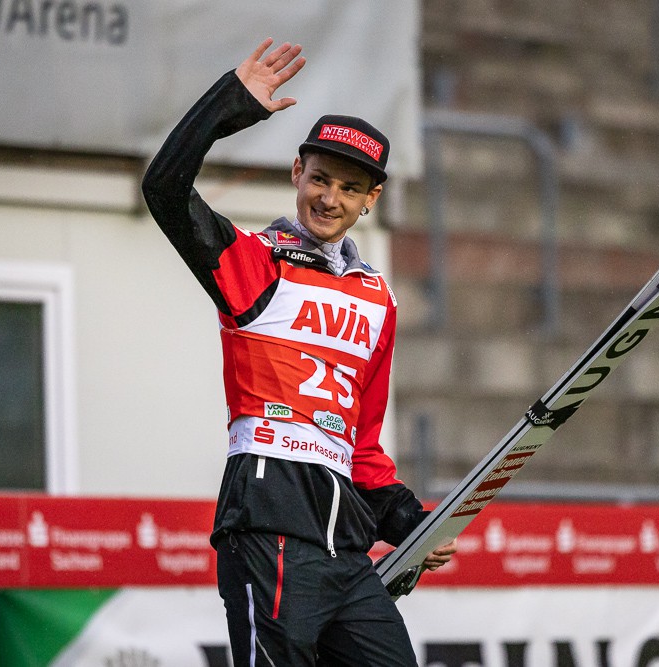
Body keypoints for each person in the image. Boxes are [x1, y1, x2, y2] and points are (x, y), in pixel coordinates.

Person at [141, 38, 457, 666]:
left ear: (371, 199)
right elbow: (165, 188)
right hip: (268, 532)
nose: (329, 198)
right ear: (296, 173)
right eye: (319, 179)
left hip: (347, 550)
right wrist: (230, 104)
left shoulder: (379, 299)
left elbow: (361, 446)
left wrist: (406, 520)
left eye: (349, 187)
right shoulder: (253, 265)